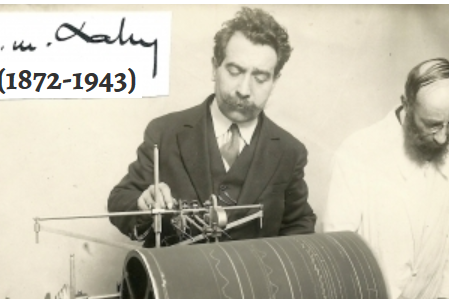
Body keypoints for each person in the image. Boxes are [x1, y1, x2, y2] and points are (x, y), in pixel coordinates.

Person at [108, 7, 316, 246]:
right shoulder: (164, 132)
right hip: (177, 271)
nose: (244, 90)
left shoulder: (290, 151)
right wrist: (143, 204)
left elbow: (299, 225)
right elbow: (120, 199)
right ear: (214, 67)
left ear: (274, 80)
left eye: (260, 78)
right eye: (235, 71)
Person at [323, 58, 449, 299]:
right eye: (432, 125)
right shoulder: (358, 151)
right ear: (407, 104)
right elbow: (339, 245)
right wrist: (394, 297)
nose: (443, 138)